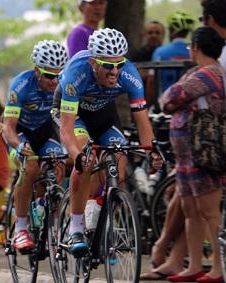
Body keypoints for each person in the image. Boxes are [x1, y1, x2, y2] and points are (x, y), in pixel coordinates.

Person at [57, 28, 162, 255]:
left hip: (104, 115)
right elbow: (66, 130)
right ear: (94, 62)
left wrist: (152, 151)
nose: (115, 71)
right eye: (108, 65)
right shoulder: (76, 75)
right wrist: (76, 156)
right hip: (75, 116)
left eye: (119, 64)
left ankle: (97, 215)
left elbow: (143, 122)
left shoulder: (130, 75)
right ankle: (75, 227)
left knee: (120, 159)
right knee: (86, 156)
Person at [160, 26, 226, 283]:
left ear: (197, 46)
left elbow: (173, 96)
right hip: (188, 153)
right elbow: (172, 99)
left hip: (204, 151)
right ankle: (195, 264)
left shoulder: (210, 73)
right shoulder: (197, 73)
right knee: (191, 209)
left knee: (208, 210)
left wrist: (174, 97)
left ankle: (219, 267)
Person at [4, 40, 68, 251]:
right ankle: (21, 229)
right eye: (49, 75)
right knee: (30, 166)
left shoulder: (64, 84)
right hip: (19, 133)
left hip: (43, 131)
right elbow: (9, 128)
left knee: (58, 164)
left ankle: (44, 211)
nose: (55, 80)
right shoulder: (21, 85)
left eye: (59, 74)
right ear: (36, 71)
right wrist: (20, 147)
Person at [151, 11, 194, 94]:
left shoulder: (160, 52)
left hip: (165, 101)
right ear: (187, 32)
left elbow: (152, 81)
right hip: (190, 102)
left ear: (171, 30)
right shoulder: (195, 51)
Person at [130, 21, 165, 107]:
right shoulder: (137, 54)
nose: (154, 35)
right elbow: (131, 76)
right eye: (150, 33)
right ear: (144, 35)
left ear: (163, 35)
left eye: (157, 33)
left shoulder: (166, 54)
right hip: (140, 101)